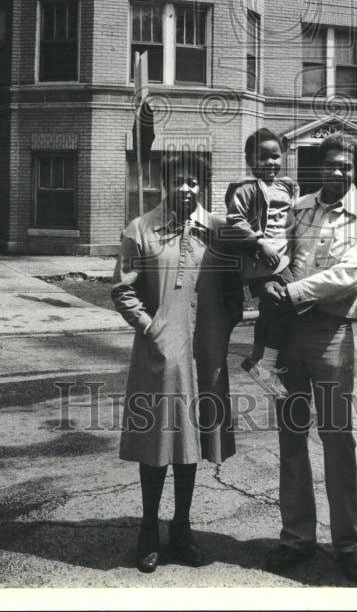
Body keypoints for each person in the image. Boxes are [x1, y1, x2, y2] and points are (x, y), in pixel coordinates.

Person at [111, 150, 243, 574]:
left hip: (203, 351)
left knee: (192, 443)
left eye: (194, 182)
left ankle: (181, 528)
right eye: (178, 181)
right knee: (158, 441)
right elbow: (123, 290)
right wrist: (151, 329)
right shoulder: (141, 229)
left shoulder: (219, 230)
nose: (186, 188)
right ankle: (149, 528)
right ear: (164, 184)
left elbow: (244, 279)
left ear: (202, 186)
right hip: (160, 353)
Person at [262, 133, 357, 582]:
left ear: (356, 169)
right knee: (291, 437)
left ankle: (349, 544)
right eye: (330, 165)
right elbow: (274, 255)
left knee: (338, 439)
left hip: (332, 333)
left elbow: (351, 273)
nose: (338, 172)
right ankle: (297, 539)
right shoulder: (298, 209)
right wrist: (266, 281)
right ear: (319, 167)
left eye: (346, 166)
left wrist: (290, 291)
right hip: (289, 334)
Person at [224, 128, 299, 397]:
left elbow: (290, 219)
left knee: (273, 309)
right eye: (263, 157)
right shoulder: (245, 189)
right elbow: (235, 221)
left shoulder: (285, 186)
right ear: (249, 160)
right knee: (290, 304)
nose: (270, 163)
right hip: (261, 260)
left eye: (275, 157)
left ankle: (257, 356)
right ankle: (265, 364)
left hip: (282, 257)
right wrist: (259, 242)